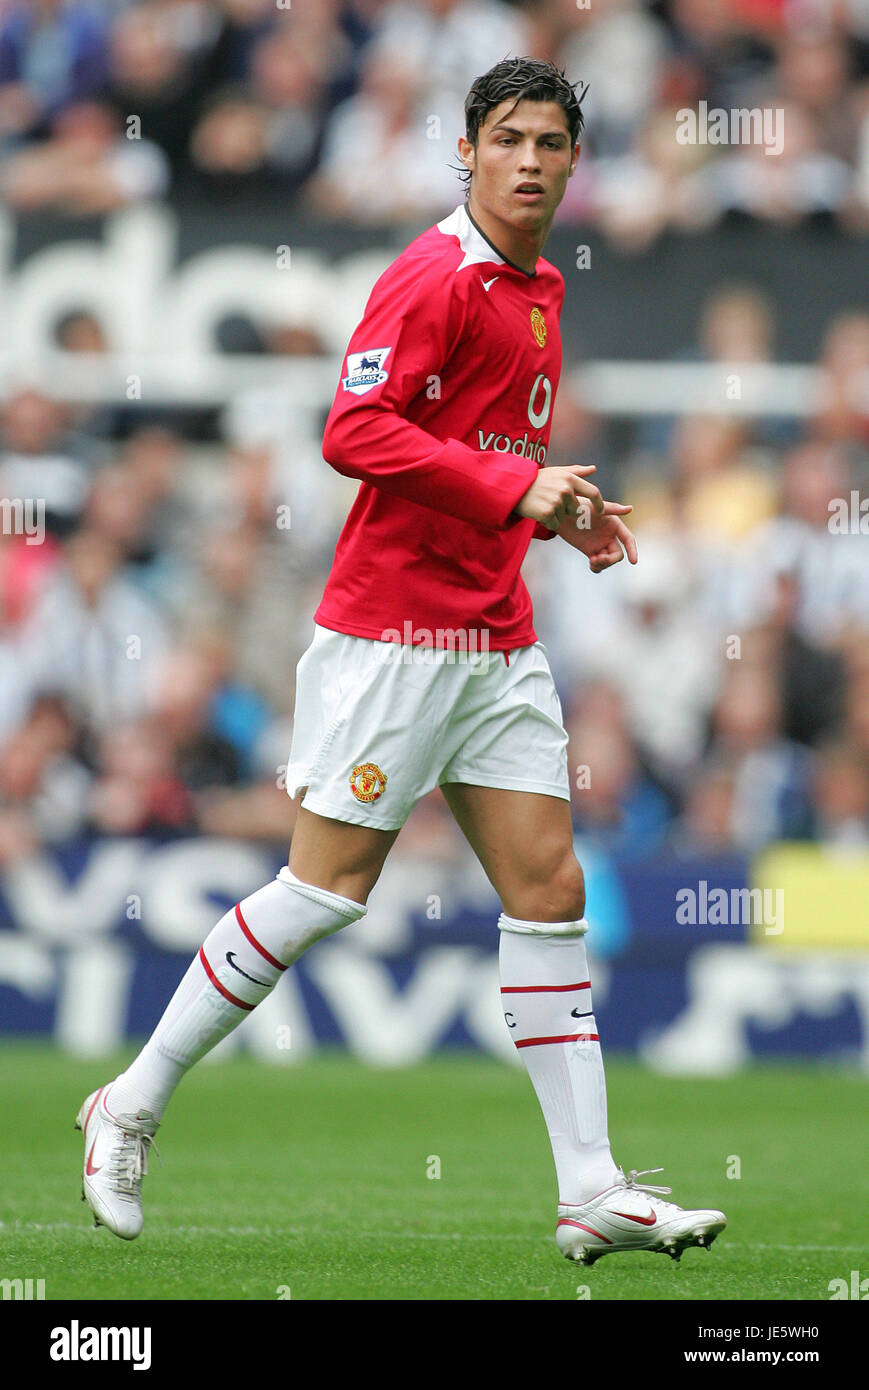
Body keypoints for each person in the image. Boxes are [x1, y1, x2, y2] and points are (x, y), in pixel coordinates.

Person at [76, 57, 726, 1268]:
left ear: (575, 163)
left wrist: (558, 512)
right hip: (391, 635)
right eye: (507, 139)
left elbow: (492, 458)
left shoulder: (537, 289)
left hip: (493, 634)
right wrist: (514, 485)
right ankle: (133, 1097)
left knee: (549, 891)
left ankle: (588, 1186)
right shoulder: (430, 276)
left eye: (550, 143)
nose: (529, 160)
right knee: (325, 891)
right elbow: (353, 428)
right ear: (467, 151)